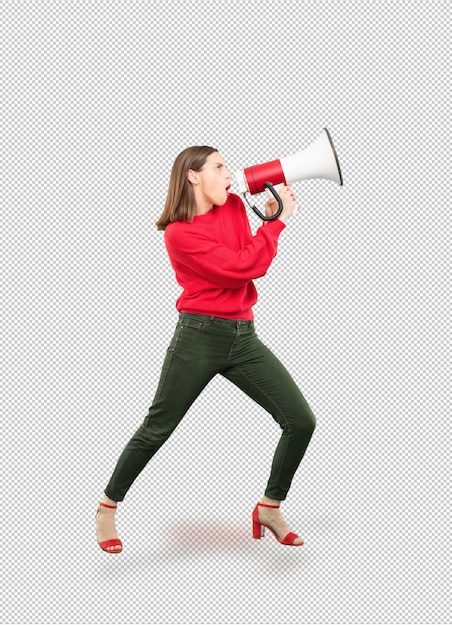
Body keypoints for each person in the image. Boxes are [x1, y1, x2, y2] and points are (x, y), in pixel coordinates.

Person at [95, 146, 316, 553]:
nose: (229, 174)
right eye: (219, 167)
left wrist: (268, 212)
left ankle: (269, 506)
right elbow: (242, 269)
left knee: (301, 421)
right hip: (198, 338)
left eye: (227, 167)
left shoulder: (233, 205)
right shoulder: (179, 233)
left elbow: (245, 252)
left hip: (243, 336)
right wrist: (279, 222)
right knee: (158, 427)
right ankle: (107, 507)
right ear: (193, 176)